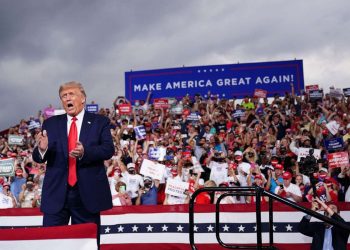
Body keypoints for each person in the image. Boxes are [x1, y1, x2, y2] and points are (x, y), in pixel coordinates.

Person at [32, 81, 114, 246]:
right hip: (56, 194)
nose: (67, 98)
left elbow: (107, 150)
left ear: (83, 98)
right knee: (51, 244)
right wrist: (42, 148)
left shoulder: (100, 122)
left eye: (71, 94)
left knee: (86, 244)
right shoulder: (50, 124)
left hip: (87, 195)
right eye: (64, 96)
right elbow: (39, 158)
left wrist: (85, 152)